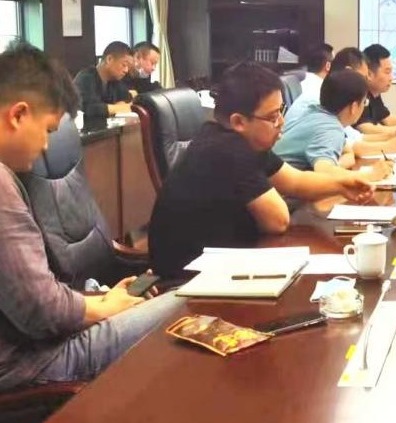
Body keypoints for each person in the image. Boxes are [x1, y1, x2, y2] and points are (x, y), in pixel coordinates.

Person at [0, 43, 183, 390]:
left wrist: (101, 300)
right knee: (185, 306)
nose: (45, 147)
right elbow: (41, 312)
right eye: (48, 130)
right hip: (30, 363)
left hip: (33, 341)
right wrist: (106, 308)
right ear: (18, 115)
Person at [148, 62, 377, 277]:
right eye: (273, 117)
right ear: (239, 122)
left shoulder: (237, 139)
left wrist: (342, 185)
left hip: (226, 262)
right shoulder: (228, 150)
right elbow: (278, 221)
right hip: (189, 280)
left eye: (281, 111)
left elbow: (296, 181)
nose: (281, 122)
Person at [274, 70, 389, 179]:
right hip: (282, 189)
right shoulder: (330, 129)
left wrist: (337, 165)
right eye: (364, 102)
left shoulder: (314, 110)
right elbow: (324, 173)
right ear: (354, 107)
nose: (364, 106)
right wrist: (370, 175)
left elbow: (348, 152)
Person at [73, 41, 133, 120]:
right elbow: (88, 109)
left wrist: (120, 106)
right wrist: (117, 108)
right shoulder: (86, 78)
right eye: (124, 65)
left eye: (128, 67)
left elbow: (127, 99)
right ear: (109, 59)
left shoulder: (114, 80)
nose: (126, 70)